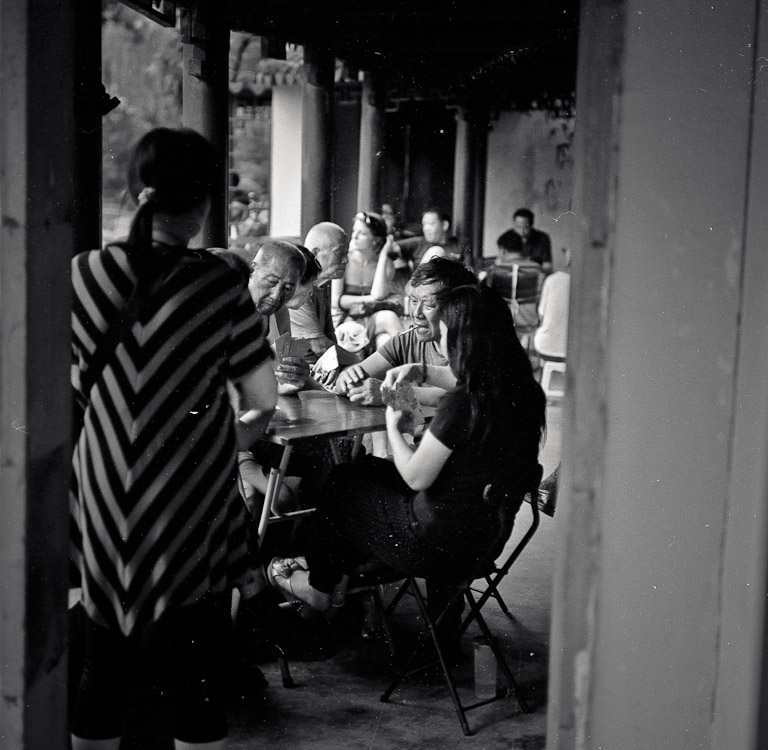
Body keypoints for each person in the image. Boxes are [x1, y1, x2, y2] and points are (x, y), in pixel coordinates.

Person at [70, 127, 277, 750]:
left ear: (133, 191)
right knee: (194, 686)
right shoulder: (219, 284)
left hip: (103, 498)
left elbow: (68, 385)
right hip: (191, 507)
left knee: (100, 673)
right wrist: (221, 440)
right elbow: (262, 399)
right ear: (203, 203)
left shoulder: (84, 274)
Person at [266, 285, 546, 618]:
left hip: (430, 544)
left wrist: (393, 423)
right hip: (484, 541)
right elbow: (460, 382)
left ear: (463, 342)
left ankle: (320, 588)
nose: (439, 343)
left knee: (343, 483)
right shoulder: (522, 391)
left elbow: (415, 476)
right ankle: (337, 580)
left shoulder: (462, 404)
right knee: (366, 470)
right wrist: (421, 371)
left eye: (444, 335)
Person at [335, 257, 478, 407]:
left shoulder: (475, 344)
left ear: (456, 307)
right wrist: (346, 378)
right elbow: (349, 381)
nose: (416, 313)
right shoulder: (407, 341)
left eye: (428, 305)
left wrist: (391, 394)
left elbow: (465, 396)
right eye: (414, 301)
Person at [334, 210, 404, 355]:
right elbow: (336, 301)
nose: (354, 236)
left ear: (376, 240)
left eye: (362, 233)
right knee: (389, 318)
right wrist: (371, 299)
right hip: (347, 321)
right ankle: (414, 358)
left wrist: (383, 255)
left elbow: (378, 294)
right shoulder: (344, 261)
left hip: (373, 321)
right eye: (354, 231)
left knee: (385, 341)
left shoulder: (387, 265)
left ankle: (408, 363)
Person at [288, 222, 348, 365]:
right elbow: (320, 347)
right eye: (339, 253)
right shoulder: (299, 287)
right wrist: (360, 362)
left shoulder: (322, 287)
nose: (346, 260)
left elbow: (330, 337)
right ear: (315, 254)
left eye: (347, 254)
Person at [395, 207, 474, 272]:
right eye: (424, 224)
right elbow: (391, 247)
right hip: (422, 285)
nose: (426, 229)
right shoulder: (418, 242)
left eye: (431, 224)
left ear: (444, 225)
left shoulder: (461, 244)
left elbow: (470, 272)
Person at [534, 247, 571, 360]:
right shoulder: (591, 285)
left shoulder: (552, 280)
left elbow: (541, 315)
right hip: (574, 351)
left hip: (545, 347)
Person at [497, 207, 553, 273]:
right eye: (518, 227)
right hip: (509, 273)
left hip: (535, 274)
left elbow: (547, 266)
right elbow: (499, 261)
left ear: (531, 225)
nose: (522, 232)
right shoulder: (506, 237)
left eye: (526, 227)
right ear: (514, 224)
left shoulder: (542, 238)